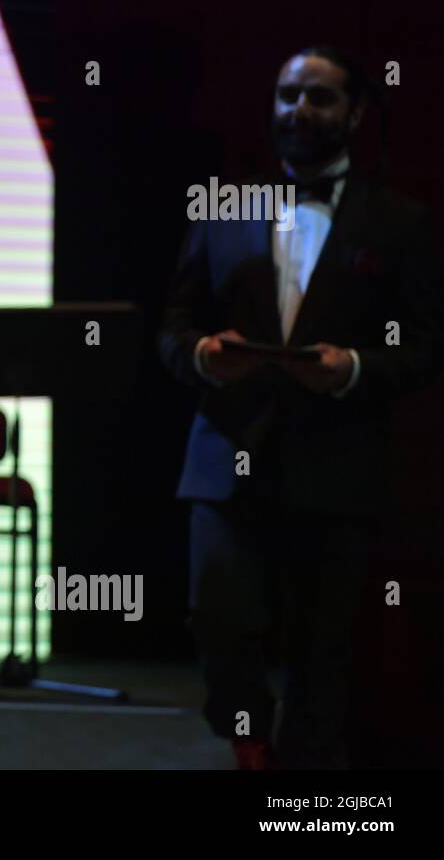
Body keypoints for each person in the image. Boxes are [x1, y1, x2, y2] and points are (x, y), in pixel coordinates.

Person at [158, 46, 444, 769]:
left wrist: (353, 369)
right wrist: (201, 356)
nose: (299, 111)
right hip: (226, 455)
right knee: (219, 617)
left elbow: (425, 347)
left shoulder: (400, 222)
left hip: (338, 461)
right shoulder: (225, 204)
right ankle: (249, 745)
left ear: (355, 113)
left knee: (325, 647)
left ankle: (306, 795)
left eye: (319, 97)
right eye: (287, 95)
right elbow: (172, 326)